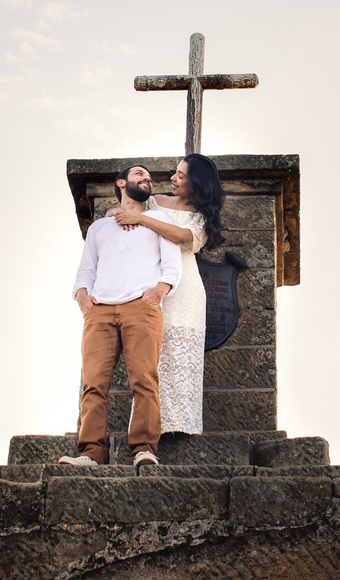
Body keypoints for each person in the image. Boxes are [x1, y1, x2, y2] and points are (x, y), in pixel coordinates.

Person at [60, 164, 183, 467]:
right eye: (140, 174)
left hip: (142, 307)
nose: (147, 179)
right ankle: (91, 453)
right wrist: (82, 296)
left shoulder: (157, 219)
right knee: (93, 383)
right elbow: (86, 268)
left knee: (144, 380)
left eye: (148, 177)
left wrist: (158, 292)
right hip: (99, 311)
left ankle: (143, 449)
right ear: (122, 183)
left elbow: (171, 264)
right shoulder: (101, 227)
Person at [108, 154, 225, 435]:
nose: (173, 178)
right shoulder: (155, 201)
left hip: (185, 288)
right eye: (176, 173)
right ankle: (149, 425)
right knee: (152, 355)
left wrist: (143, 220)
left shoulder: (202, 215)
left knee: (181, 355)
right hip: (150, 281)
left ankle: (180, 425)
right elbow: (123, 211)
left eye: (181, 176)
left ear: (196, 182)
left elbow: (184, 237)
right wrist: (117, 214)